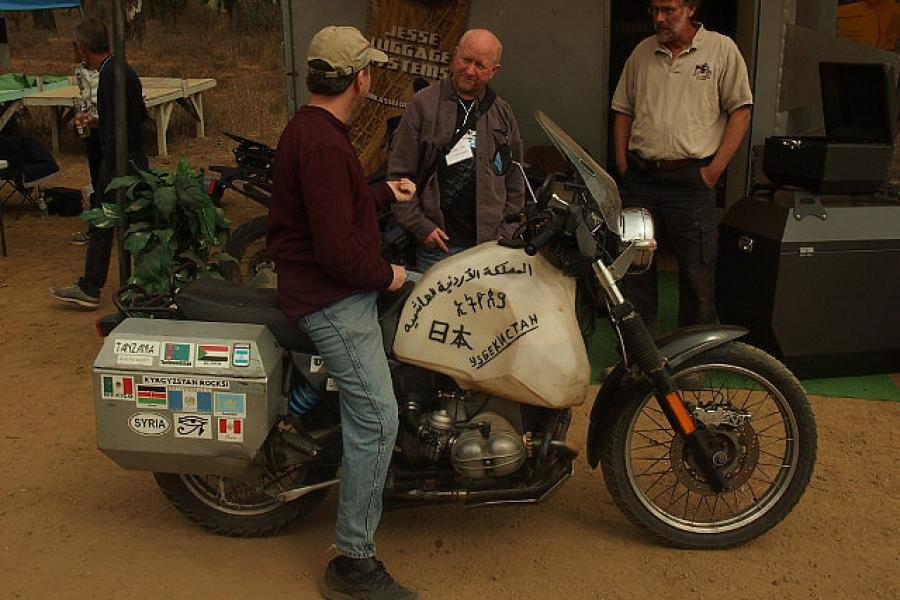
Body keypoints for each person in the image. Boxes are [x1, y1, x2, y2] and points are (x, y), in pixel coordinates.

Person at [266, 26, 417, 600]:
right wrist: (388, 275)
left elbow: (333, 207)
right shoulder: (325, 143)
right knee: (378, 419)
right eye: (369, 70)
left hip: (327, 287)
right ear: (360, 77)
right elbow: (336, 251)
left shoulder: (314, 129)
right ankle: (355, 562)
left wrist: (384, 193)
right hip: (331, 299)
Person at [611, 0, 752, 330]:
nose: (659, 18)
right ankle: (637, 355)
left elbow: (741, 113)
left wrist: (713, 171)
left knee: (696, 272)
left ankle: (693, 359)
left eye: (668, 10)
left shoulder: (721, 50)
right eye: (654, 10)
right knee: (635, 268)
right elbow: (622, 109)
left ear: (690, 8)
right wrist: (622, 162)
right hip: (642, 177)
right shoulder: (642, 52)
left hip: (692, 180)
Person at [388, 28, 524, 271]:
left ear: (494, 71)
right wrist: (420, 226)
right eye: (465, 60)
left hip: (489, 248)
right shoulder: (423, 105)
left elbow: (515, 180)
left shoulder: (502, 114)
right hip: (437, 247)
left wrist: (507, 231)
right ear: (455, 55)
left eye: (480, 65)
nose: (470, 70)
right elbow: (399, 176)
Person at [49, 16, 148, 308]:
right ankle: (122, 285)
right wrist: (101, 121)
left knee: (106, 220)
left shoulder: (109, 74)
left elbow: (122, 126)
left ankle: (94, 287)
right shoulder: (120, 70)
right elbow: (136, 115)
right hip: (130, 157)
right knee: (123, 222)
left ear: (81, 47)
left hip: (120, 161)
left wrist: (109, 159)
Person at [69, 55, 101, 246]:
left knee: (111, 179)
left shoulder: (110, 70)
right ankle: (96, 228)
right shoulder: (80, 71)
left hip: (107, 131)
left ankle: (104, 228)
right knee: (97, 179)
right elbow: (85, 97)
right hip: (92, 131)